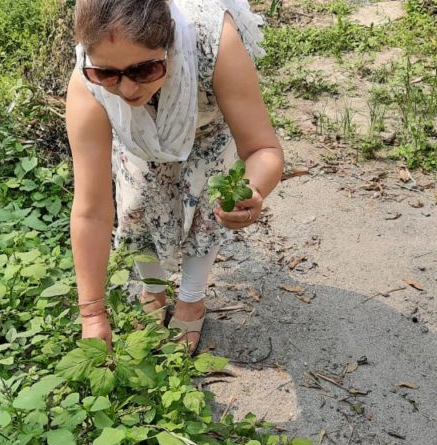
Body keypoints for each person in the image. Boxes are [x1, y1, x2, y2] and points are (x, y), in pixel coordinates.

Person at [65, 0, 284, 352]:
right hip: (138, 138)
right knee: (136, 203)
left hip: (206, 127)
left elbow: (263, 149)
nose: (127, 90)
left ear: (170, 45)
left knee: (206, 213)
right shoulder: (87, 82)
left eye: (144, 69)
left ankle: (191, 298)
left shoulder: (212, 41)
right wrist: (91, 314)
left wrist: (252, 189)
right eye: (108, 74)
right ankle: (152, 290)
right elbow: (91, 209)